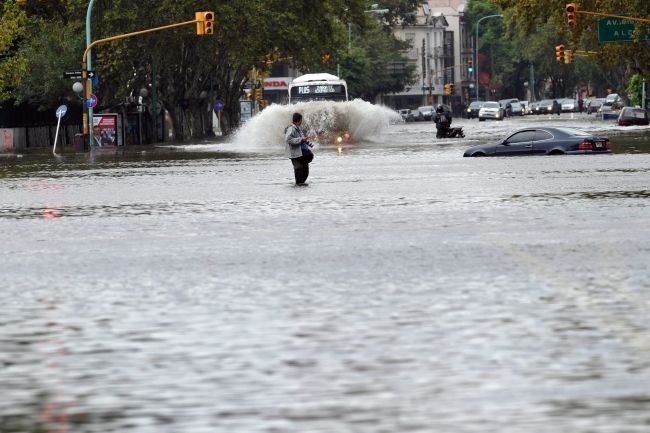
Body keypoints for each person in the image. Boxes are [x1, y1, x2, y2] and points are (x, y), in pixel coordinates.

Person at [284, 112, 312, 186]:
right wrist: (301, 140)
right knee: (299, 169)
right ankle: (298, 186)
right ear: (299, 120)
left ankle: (301, 185)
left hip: (302, 153)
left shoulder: (298, 129)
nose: (301, 122)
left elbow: (301, 139)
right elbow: (288, 139)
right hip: (295, 154)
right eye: (301, 120)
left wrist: (308, 144)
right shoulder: (291, 128)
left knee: (305, 170)